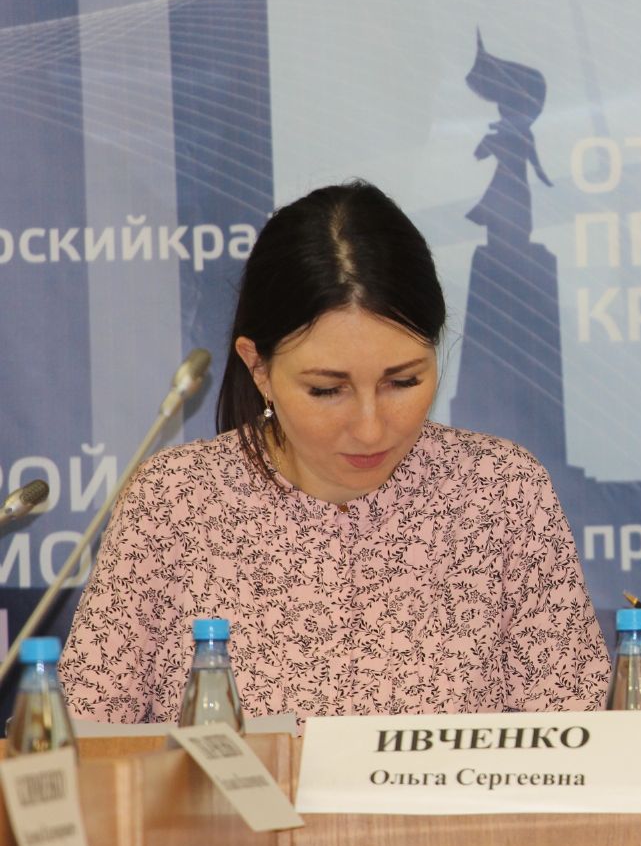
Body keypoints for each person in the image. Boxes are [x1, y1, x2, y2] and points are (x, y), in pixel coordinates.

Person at [59, 181, 610, 723]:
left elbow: (583, 744)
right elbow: (82, 745)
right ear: (259, 368)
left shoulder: (502, 493)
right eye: (327, 390)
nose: (370, 430)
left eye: (403, 381)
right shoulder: (173, 503)